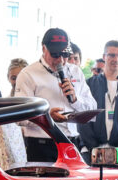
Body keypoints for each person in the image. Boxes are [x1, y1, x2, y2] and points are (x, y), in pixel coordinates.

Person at [13, 28, 96, 162]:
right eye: (55, 54)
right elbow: (18, 117)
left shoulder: (75, 71)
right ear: (43, 49)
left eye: (65, 54)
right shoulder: (28, 74)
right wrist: (46, 118)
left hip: (72, 143)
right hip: (42, 145)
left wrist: (75, 100)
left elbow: (92, 108)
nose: (61, 60)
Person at [80, 40, 118, 168]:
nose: (116, 59)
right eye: (112, 55)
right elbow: (82, 120)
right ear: (104, 57)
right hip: (91, 153)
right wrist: (96, 150)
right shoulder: (88, 85)